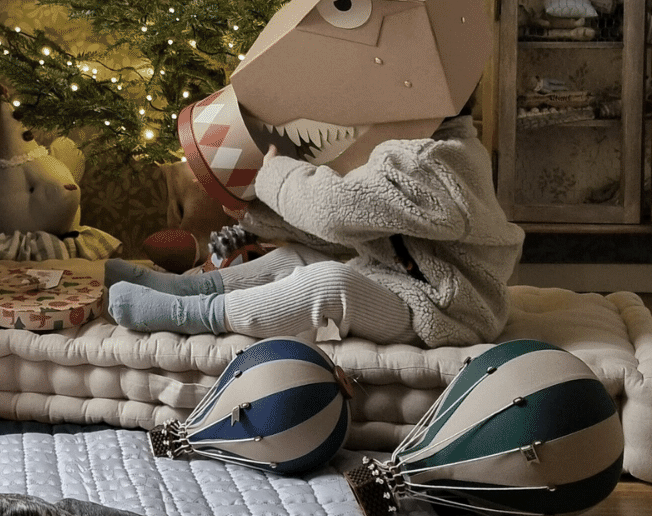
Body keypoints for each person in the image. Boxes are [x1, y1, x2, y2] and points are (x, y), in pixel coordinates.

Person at [104, 110, 525, 349]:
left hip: (442, 309)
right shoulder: (402, 145)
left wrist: (277, 178)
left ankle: (190, 315)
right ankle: (183, 289)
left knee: (329, 282)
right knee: (292, 258)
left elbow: (336, 210)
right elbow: (346, 231)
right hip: (401, 279)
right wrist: (255, 214)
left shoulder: (438, 161)